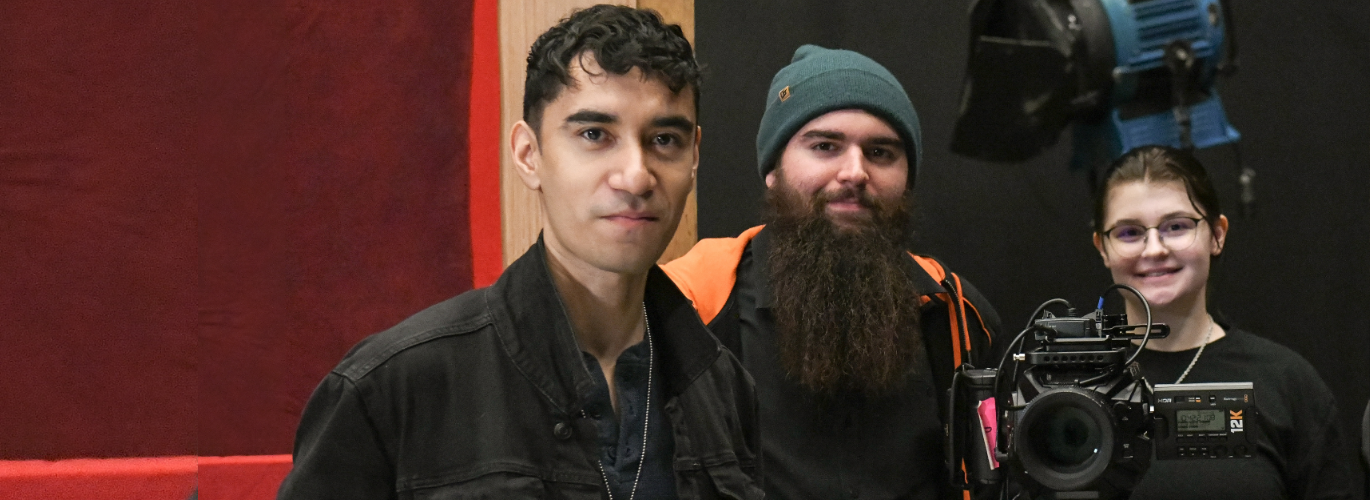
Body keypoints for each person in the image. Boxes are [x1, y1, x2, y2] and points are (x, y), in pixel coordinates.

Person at [277, 6, 761, 499]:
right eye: (594, 135)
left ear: (694, 157)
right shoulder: (391, 388)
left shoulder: (722, 387)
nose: (636, 175)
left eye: (664, 140)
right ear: (529, 155)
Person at [663, 45, 1002, 500]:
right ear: (773, 169)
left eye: (881, 152)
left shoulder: (957, 317)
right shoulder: (690, 306)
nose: (855, 172)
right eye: (825, 146)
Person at [1090, 145, 1359, 499]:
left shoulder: (1287, 384)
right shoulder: (1062, 385)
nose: (1153, 249)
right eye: (1129, 232)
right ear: (1102, 247)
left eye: (1176, 226)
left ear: (1217, 234)